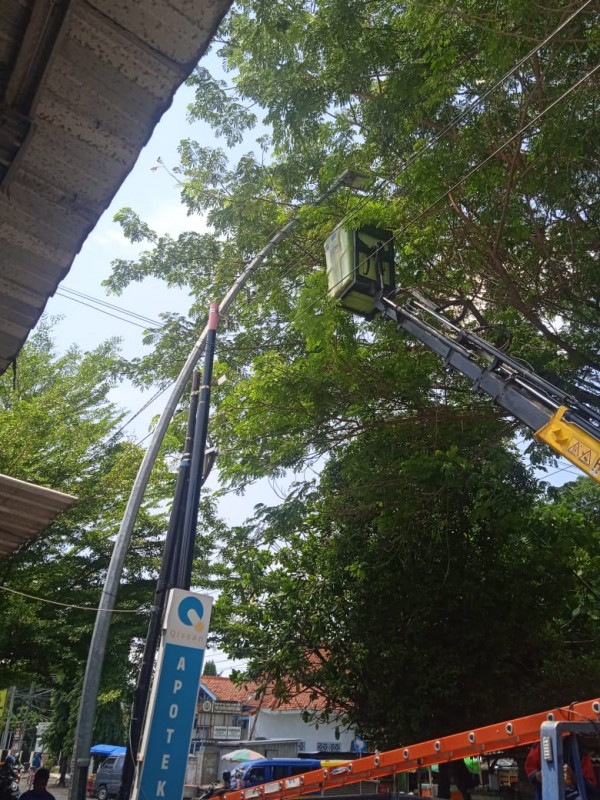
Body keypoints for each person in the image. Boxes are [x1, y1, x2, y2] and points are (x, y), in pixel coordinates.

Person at [526, 742, 597, 800]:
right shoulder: (540, 745)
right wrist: (542, 775)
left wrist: (572, 776)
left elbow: (591, 783)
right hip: (546, 792)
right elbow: (531, 772)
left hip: (572, 793)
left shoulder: (579, 749)